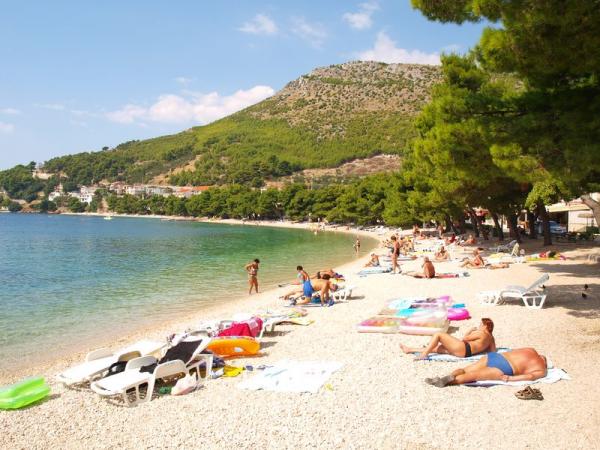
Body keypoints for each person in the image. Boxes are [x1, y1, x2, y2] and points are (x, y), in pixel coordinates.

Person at [425, 347, 547, 387]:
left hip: (495, 357)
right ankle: (446, 382)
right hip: (506, 367)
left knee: (465, 369)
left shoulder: (531, 350)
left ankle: (450, 376)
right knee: (473, 376)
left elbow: (512, 351)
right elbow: (530, 377)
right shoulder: (542, 369)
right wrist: (510, 379)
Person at [401, 318, 496, 360]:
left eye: (481, 324)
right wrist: (481, 348)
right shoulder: (491, 338)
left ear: (485, 326)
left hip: (463, 348)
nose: (479, 326)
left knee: (439, 335)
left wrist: (470, 330)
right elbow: (493, 351)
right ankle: (409, 349)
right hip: (466, 354)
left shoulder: (482, 332)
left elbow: (465, 338)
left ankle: (424, 355)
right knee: (437, 348)